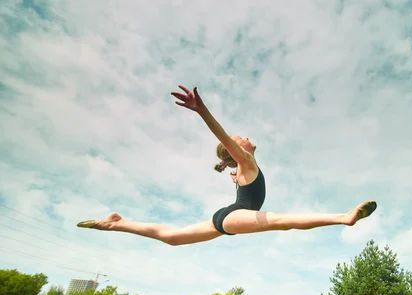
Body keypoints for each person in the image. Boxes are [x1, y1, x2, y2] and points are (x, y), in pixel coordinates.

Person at [76, 85, 377, 245]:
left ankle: (117, 223)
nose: (244, 137)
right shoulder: (245, 160)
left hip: (228, 215)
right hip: (235, 215)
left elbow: (235, 164)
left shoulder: (245, 167)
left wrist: (236, 176)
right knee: (280, 221)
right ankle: (343, 217)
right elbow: (222, 135)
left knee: (173, 237)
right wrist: (201, 110)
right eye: (239, 138)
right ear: (236, 151)